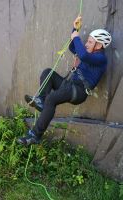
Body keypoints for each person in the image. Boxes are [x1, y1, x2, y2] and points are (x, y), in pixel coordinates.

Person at [17, 16, 112, 145]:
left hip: (78, 92)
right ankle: (41, 100)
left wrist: (76, 37)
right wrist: (75, 28)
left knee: (52, 99)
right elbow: (73, 48)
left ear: (99, 45)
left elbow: (82, 54)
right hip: (69, 85)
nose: (86, 44)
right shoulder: (89, 55)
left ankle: (35, 135)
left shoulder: (100, 58)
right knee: (48, 73)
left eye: (90, 42)